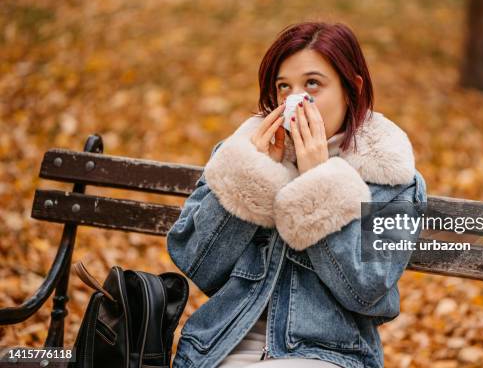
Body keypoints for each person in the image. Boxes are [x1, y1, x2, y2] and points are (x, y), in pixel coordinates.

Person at [167, 21, 427, 368]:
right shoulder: (244, 152)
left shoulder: (389, 174)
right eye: (284, 87)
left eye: (312, 85)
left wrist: (318, 181)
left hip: (329, 355)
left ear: (352, 88)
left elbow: (367, 289)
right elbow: (196, 263)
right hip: (219, 345)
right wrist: (251, 175)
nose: (295, 102)